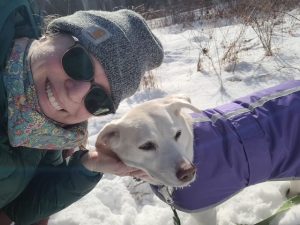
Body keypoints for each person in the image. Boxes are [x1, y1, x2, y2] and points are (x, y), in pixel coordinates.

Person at [0, 9, 164, 225]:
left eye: (97, 99)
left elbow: (19, 209)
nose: (75, 94)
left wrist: (87, 166)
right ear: (54, 33)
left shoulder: (47, 134)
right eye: (80, 62)